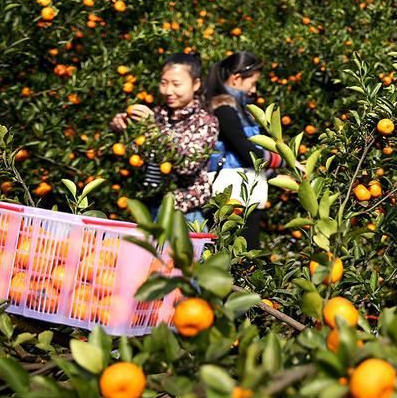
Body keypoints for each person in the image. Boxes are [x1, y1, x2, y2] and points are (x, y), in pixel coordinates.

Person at [110, 52, 219, 224]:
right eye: (164, 83)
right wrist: (123, 129)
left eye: (176, 84)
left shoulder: (205, 121)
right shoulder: (158, 114)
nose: (168, 91)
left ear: (196, 84)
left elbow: (188, 164)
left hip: (182, 213)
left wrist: (153, 129)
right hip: (147, 205)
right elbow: (136, 155)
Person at [205, 51, 282, 249]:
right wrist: (282, 160)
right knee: (238, 254)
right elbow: (246, 151)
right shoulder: (223, 108)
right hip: (232, 195)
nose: (254, 90)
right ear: (237, 78)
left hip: (248, 194)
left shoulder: (241, 109)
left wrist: (277, 175)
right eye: (252, 82)